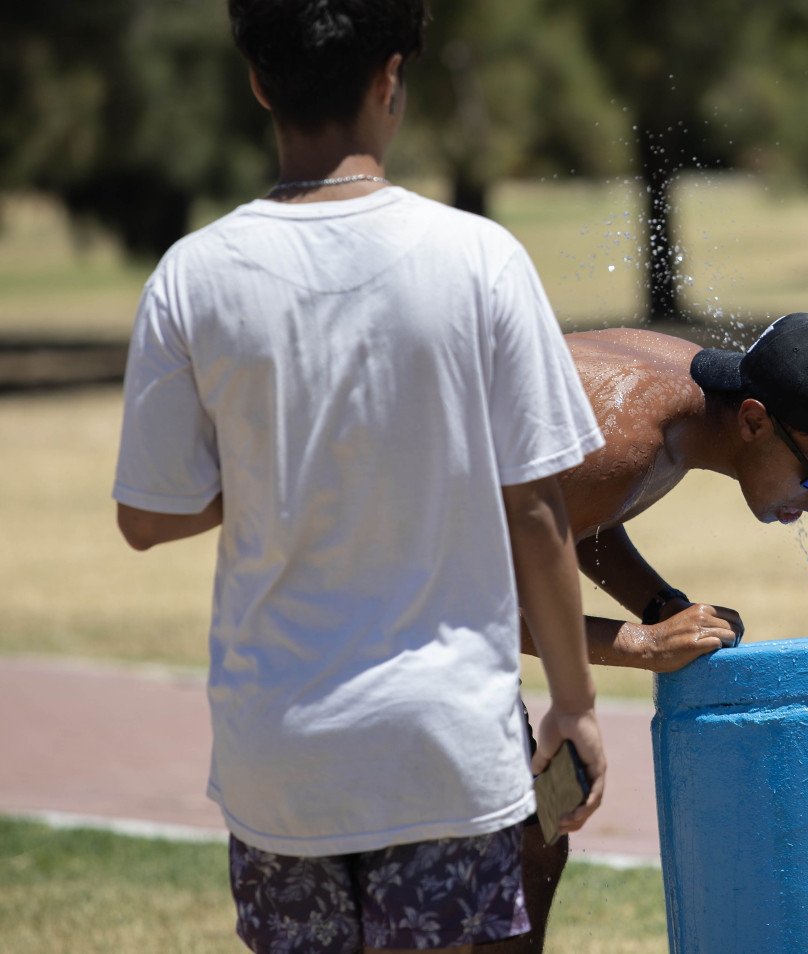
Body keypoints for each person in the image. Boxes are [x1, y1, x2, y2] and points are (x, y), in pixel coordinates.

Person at [112, 2, 606, 951]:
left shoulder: (190, 276)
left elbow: (146, 515)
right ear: (391, 79)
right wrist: (576, 707)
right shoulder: (482, 260)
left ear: (259, 82)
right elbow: (537, 510)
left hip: (277, 766)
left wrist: (273, 463)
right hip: (446, 758)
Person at [500, 312, 808, 952]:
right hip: (372, 619)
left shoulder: (680, 401)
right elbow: (482, 604)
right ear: (755, 420)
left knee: (538, 839)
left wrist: (660, 604)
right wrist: (642, 644)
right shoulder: (626, 436)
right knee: (510, 853)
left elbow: (573, 518)